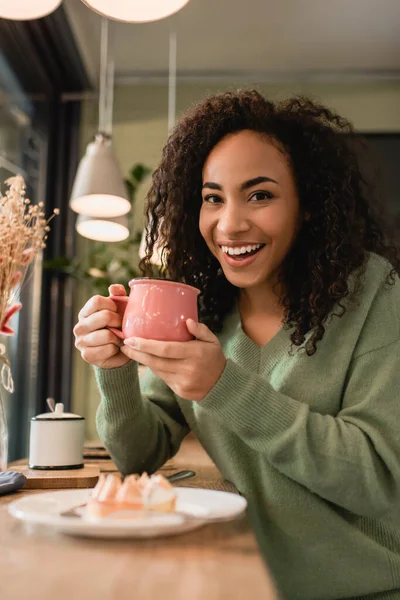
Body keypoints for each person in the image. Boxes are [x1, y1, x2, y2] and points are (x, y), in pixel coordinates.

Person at [74, 90, 400, 600]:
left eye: (260, 195)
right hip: (239, 583)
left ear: (309, 204)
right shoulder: (203, 310)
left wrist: (222, 386)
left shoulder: (376, 297)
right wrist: (114, 370)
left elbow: (380, 479)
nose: (229, 224)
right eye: (212, 197)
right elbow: (139, 455)